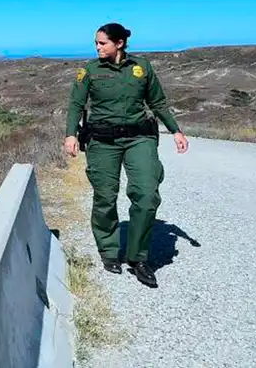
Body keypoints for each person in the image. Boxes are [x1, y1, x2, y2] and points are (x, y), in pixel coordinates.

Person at [64, 23, 189, 288]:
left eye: (102, 43)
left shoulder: (141, 67)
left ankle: (137, 258)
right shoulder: (89, 70)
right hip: (102, 141)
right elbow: (76, 104)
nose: (97, 47)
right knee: (105, 196)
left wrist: (176, 130)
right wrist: (71, 134)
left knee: (146, 194)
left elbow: (157, 102)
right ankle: (109, 250)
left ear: (119, 43)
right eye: (96, 43)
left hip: (139, 138)